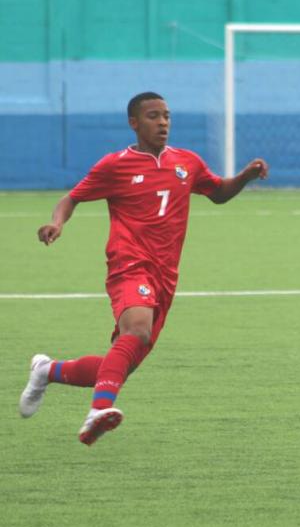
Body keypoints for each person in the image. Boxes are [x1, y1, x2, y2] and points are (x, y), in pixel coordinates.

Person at [20, 92, 269, 445]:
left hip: (166, 276)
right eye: (153, 116)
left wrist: (245, 175)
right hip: (129, 264)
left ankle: (47, 370)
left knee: (120, 364)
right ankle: (98, 411)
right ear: (134, 123)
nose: (163, 122)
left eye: (167, 116)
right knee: (136, 331)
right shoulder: (115, 165)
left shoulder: (187, 162)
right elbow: (72, 197)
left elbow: (218, 192)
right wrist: (57, 223)